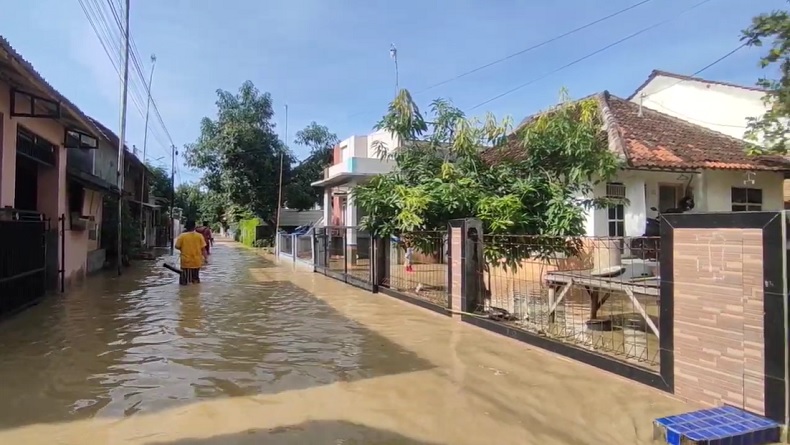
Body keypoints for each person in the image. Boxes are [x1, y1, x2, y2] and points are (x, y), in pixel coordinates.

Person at [175, 220, 207, 285]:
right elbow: (203, 249)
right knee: (195, 282)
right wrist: (206, 259)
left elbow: (177, 246)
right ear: (194, 227)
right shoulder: (199, 236)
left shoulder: (182, 236)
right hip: (196, 262)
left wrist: (183, 248)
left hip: (185, 262)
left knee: (184, 283)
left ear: (186, 227)